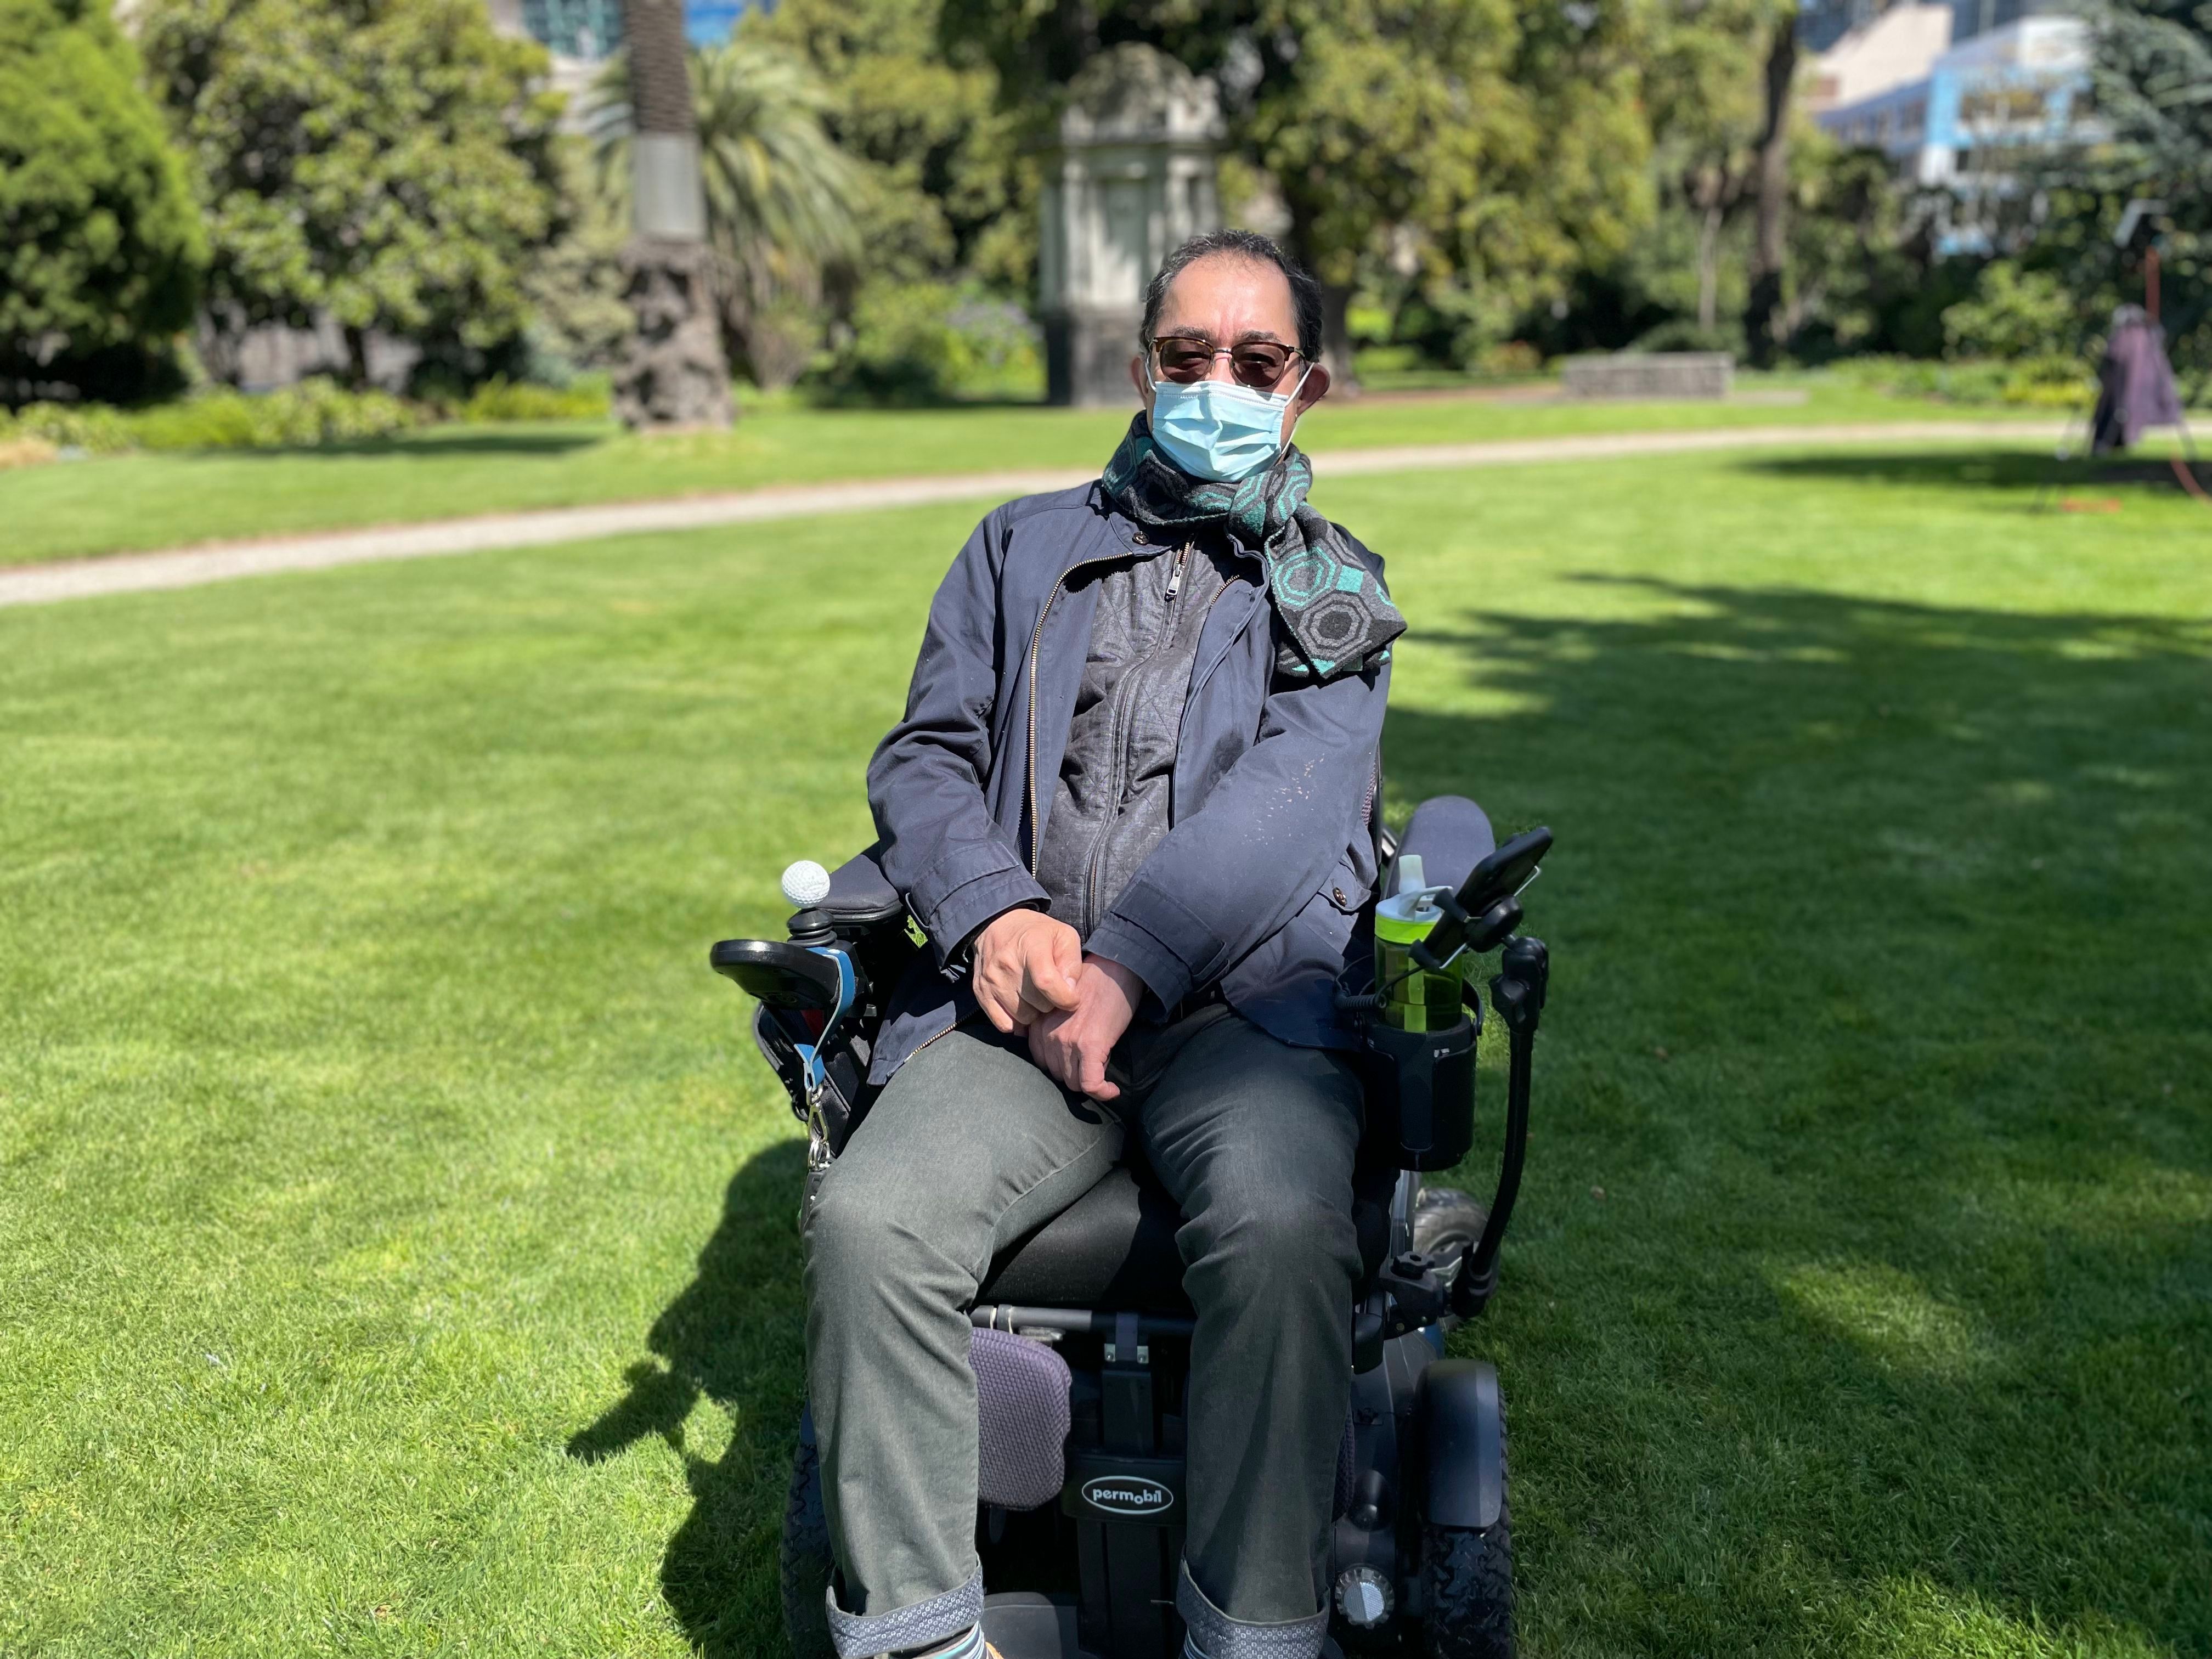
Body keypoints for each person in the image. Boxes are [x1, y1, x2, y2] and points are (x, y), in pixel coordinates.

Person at [802, 229, 1404, 1659]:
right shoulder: (1017, 549)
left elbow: (1291, 805)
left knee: (1283, 1227)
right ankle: (922, 1635)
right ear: (1142, 371)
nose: (1217, 383)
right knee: (870, 1221)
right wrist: (996, 915)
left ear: (1305, 388)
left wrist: (1132, 965)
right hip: (1021, 1007)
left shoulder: (1336, 589)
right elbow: (926, 759)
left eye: (1255, 361)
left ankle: (1252, 1632)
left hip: (1246, 1019)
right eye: (1188, 356)